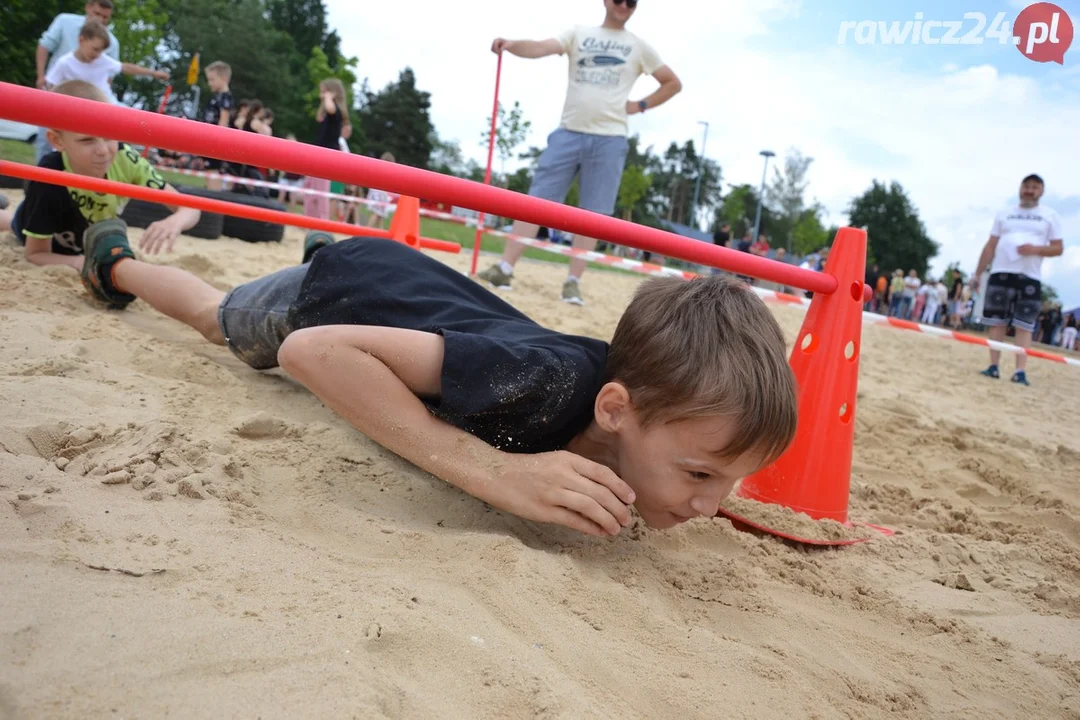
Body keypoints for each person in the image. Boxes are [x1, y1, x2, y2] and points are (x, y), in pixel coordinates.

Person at [73, 220, 797, 536]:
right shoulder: (546, 383)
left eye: (730, 481)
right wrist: (494, 473)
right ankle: (112, 262)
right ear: (615, 410)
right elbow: (312, 354)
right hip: (338, 297)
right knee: (214, 318)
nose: (709, 504)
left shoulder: (637, 414)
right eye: (700, 474)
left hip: (408, 300)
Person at [477, 0, 683, 306]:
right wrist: (511, 45)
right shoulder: (578, 33)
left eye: (632, 1)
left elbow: (672, 83)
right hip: (569, 130)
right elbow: (542, 47)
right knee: (535, 202)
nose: (624, 5)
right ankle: (504, 268)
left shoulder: (638, 46)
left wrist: (639, 106)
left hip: (610, 138)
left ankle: (573, 282)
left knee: (593, 215)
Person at [0, 81, 200, 271]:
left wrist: (174, 221)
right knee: (15, 226)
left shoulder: (125, 157)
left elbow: (190, 207)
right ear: (57, 141)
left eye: (108, 134)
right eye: (87, 140)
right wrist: (84, 263)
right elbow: (35, 254)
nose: (103, 150)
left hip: (82, 236)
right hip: (43, 230)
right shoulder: (48, 174)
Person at [975, 174, 1064, 385]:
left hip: (1029, 276)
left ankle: (1020, 371)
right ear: (1020, 188)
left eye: (1035, 187)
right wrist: (978, 273)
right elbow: (991, 244)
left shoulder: (1049, 215)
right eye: (1026, 186)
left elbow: (1058, 248)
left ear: (1041, 191)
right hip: (1000, 272)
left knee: (1025, 324)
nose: (1029, 190)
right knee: (996, 321)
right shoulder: (1005, 214)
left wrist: (1036, 249)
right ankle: (993, 366)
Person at [34, 0, 120, 163]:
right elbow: (44, 45)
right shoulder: (65, 21)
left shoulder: (112, 42)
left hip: (88, 103)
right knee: (46, 138)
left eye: (105, 17)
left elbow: (109, 75)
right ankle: (39, 181)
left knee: (84, 145)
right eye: (97, 14)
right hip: (56, 93)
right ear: (88, 7)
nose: (100, 20)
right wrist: (41, 76)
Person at [44, 20, 169, 102]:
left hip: (104, 103)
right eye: (95, 49)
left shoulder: (102, 60)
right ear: (81, 40)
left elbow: (126, 67)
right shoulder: (65, 63)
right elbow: (51, 86)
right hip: (78, 106)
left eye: (101, 51)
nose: (97, 55)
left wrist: (153, 73)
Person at [304, 78, 352, 221]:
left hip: (326, 156)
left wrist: (328, 97)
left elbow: (330, 108)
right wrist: (324, 99)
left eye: (324, 92)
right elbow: (320, 116)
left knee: (321, 192)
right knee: (309, 188)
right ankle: (309, 219)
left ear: (333, 94)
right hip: (318, 153)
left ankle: (321, 220)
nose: (322, 95)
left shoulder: (335, 111)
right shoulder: (328, 113)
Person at [200, 61, 235, 190]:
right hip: (210, 140)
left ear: (224, 78)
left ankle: (213, 200)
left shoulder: (225, 97)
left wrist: (216, 142)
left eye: (212, 79)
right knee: (209, 171)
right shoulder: (218, 97)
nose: (210, 83)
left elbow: (223, 123)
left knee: (213, 171)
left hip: (216, 142)